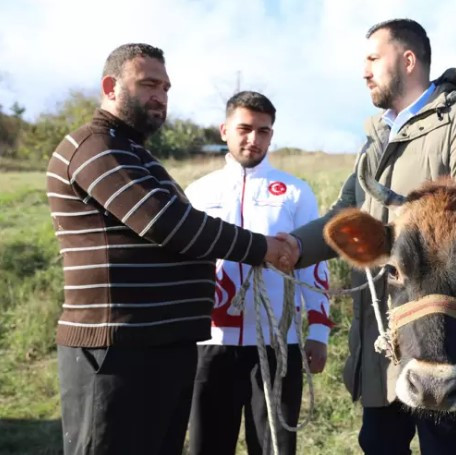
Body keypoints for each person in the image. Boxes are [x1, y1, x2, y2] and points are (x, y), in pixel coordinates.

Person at [45, 44, 296, 455]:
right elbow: (169, 225)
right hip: (116, 352)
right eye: (148, 84)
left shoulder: (136, 154)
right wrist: (262, 248)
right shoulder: (93, 146)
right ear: (111, 87)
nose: (160, 96)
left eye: (165, 87)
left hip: (159, 349)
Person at [282, 19, 456, 454]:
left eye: (373, 58)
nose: (364, 71)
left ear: (408, 60)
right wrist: (294, 247)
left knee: (446, 447)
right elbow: (345, 215)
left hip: (443, 341)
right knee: (378, 442)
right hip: (385, 337)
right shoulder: (375, 144)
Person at [185, 91, 333, 455]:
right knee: (207, 447)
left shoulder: (296, 192)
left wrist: (318, 331)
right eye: (245, 129)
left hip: (276, 346)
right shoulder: (197, 192)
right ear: (224, 130)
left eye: (264, 131)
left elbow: (314, 264)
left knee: (274, 449)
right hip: (210, 344)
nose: (254, 139)